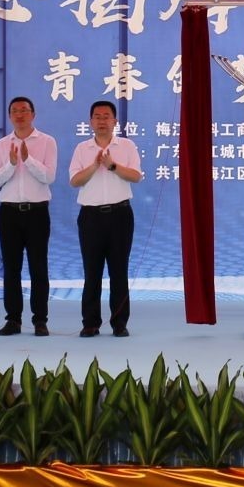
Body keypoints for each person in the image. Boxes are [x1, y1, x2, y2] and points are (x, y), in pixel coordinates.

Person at [68, 100, 144, 338]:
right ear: (91, 121)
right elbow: (74, 181)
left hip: (120, 215)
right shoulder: (82, 148)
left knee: (119, 271)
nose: (102, 121)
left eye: (106, 116)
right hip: (90, 217)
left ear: (115, 121)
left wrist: (112, 165)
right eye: (97, 117)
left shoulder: (127, 146)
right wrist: (94, 166)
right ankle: (90, 323)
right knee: (92, 272)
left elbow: (136, 176)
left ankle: (119, 322)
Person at [0, 95, 58, 336]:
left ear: (33, 114)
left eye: (24, 110)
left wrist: (28, 160)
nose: (19, 115)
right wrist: (11, 164)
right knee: (11, 269)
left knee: (39, 267)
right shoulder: (1, 145)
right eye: (15, 111)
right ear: (10, 116)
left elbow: (49, 177)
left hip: (37, 212)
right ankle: (13, 320)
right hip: (9, 213)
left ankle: (40, 320)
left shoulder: (47, 142)